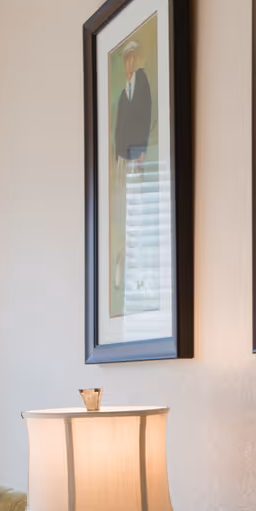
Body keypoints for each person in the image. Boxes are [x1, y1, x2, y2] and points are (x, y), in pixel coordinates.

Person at [108, 39, 152, 315]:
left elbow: (144, 115)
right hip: (124, 157)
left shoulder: (142, 83)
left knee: (136, 214)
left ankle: (132, 269)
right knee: (123, 212)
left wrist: (142, 151)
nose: (130, 64)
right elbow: (119, 125)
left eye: (133, 58)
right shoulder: (124, 93)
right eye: (126, 59)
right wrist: (116, 156)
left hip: (136, 156)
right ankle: (121, 267)